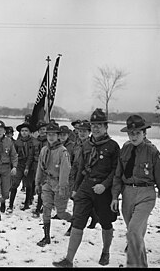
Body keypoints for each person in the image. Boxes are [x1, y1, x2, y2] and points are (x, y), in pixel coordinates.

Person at [53, 108, 120, 267]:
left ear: (106, 127)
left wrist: (104, 185)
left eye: (99, 125)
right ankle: (68, 260)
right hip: (86, 187)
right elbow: (81, 167)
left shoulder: (113, 146)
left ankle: (106, 251)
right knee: (78, 221)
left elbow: (116, 171)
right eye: (94, 125)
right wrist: (76, 188)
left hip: (104, 190)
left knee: (105, 222)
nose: (96, 128)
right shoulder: (86, 144)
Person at [110, 115, 160, 268]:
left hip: (146, 194)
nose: (134, 136)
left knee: (133, 232)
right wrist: (115, 196)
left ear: (144, 133)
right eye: (131, 133)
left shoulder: (152, 152)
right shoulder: (125, 149)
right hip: (128, 194)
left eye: (137, 133)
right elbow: (118, 175)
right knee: (135, 236)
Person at [35, 122, 72, 247]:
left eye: (53, 135)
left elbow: (65, 171)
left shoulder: (63, 151)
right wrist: (37, 182)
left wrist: (62, 187)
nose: (51, 137)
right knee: (46, 208)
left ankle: (75, 222)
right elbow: (40, 167)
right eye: (49, 134)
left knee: (61, 213)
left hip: (60, 183)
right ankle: (46, 237)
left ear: (58, 136)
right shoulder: (44, 150)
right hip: (47, 182)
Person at [64, 120, 99, 235]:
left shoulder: (92, 145)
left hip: (86, 175)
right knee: (76, 199)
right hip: (75, 174)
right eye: (80, 131)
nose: (82, 133)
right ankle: (94, 216)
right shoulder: (76, 144)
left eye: (84, 131)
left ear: (89, 132)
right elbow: (73, 160)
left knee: (78, 201)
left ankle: (73, 225)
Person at [8, 121, 34, 212]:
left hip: (30, 166)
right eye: (22, 131)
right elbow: (13, 155)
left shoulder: (33, 142)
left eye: (26, 130)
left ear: (29, 132)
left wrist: (29, 166)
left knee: (28, 185)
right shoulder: (17, 143)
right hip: (19, 165)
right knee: (15, 184)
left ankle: (27, 203)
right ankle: (10, 204)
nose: (24, 132)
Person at [31, 120, 49, 218]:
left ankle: (40, 208)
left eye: (44, 129)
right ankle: (40, 206)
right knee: (38, 186)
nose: (42, 131)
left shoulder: (50, 141)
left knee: (45, 188)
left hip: (47, 167)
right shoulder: (35, 141)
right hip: (37, 165)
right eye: (41, 129)